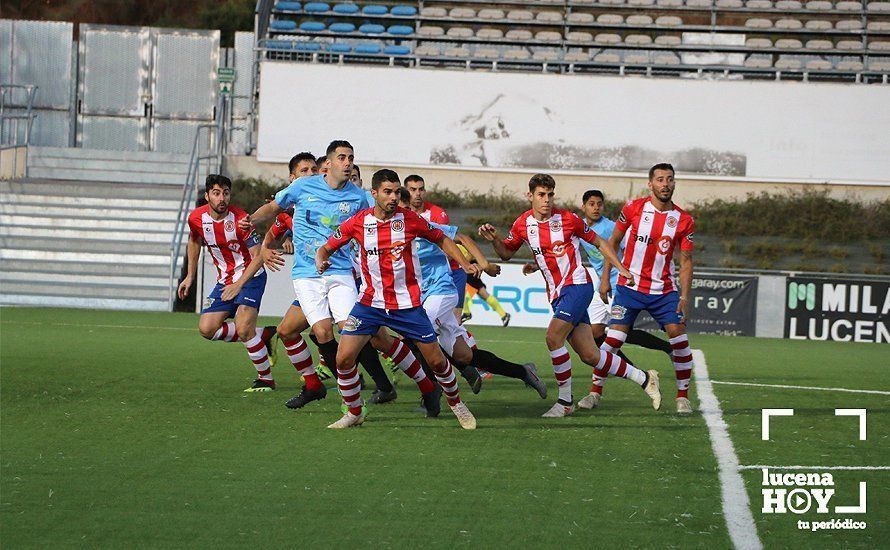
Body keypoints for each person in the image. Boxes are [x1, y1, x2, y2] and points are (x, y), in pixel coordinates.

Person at [478, 173, 661, 418]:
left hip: (577, 285)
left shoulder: (568, 219)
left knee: (553, 337)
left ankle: (565, 402)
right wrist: (494, 240)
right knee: (589, 354)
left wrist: (620, 268)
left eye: (550, 194)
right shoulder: (523, 223)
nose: (546, 200)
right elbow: (506, 254)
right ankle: (645, 378)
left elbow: (600, 243)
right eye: (541, 195)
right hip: (557, 294)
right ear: (530, 196)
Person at [244, 141, 406, 409]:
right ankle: (325, 388)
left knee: (363, 334)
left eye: (350, 158)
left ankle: (410, 378)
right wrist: (252, 226)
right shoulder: (298, 193)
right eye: (342, 157)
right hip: (308, 276)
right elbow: (272, 218)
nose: (348, 162)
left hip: (343, 273)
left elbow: (387, 212)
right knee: (300, 331)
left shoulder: (357, 196)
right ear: (326, 165)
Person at [317, 169, 480, 429]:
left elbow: (443, 239)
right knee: (343, 358)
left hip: (407, 306)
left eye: (396, 192)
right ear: (375, 194)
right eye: (387, 192)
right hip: (370, 304)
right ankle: (354, 412)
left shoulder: (410, 220)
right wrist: (321, 259)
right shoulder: (359, 222)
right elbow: (326, 246)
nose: (394, 197)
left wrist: (465, 263)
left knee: (437, 361)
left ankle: (457, 403)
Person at [397, 188, 547, 399]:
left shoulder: (423, 226)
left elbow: (462, 238)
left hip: (441, 291)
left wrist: (482, 264)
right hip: (422, 297)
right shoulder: (389, 233)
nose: (402, 212)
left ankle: (432, 394)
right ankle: (523, 371)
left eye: (405, 207)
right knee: (465, 355)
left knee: (416, 335)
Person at [599, 164, 697, 414]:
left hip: (664, 291)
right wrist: (606, 278)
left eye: (670, 180)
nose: (666, 184)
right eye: (660, 179)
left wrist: (685, 296)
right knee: (611, 343)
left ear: (674, 184)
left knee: (680, 339)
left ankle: (682, 397)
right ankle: (594, 391)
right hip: (629, 287)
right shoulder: (633, 209)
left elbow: (686, 262)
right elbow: (613, 243)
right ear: (650, 184)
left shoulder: (684, 220)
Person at [573, 189, 675, 410]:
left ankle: (664, 353)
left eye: (599, 203)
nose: (596, 207)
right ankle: (639, 371)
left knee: (617, 335)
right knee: (596, 336)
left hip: (618, 285)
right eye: (591, 204)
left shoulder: (609, 227)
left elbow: (628, 247)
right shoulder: (581, 226)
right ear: (584, 207)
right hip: (602, 287)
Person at [177, 174, 278, 392]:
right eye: (216, 193)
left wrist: (239, 284)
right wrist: (190, 276)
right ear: (207, 196)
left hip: (252, 277)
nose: (222, 198)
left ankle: (266, 379)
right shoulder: (196, 218)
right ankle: (264, 335)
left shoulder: (240, 219)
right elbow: (194, 240)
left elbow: (258, 255)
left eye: (226, 193)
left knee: (243, 327)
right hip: (225, 280)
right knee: (206, 328)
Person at [403, 174, 467, 323]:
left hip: (449, 273)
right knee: (451, 332)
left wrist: (470, 264)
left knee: (450, 321)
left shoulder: (437, 214)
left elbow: (448, 245)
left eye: (421, 189)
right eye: (413, 190)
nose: (418, 194)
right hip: (419, 280)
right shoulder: (400, 218)